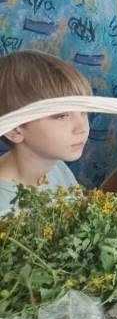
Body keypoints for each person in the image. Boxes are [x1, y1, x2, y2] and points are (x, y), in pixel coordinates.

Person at [0, 51, 91, 214]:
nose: (82, 128)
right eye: (61, 116)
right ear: (14, 130)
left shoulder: (57, 168)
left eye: (83, 111)